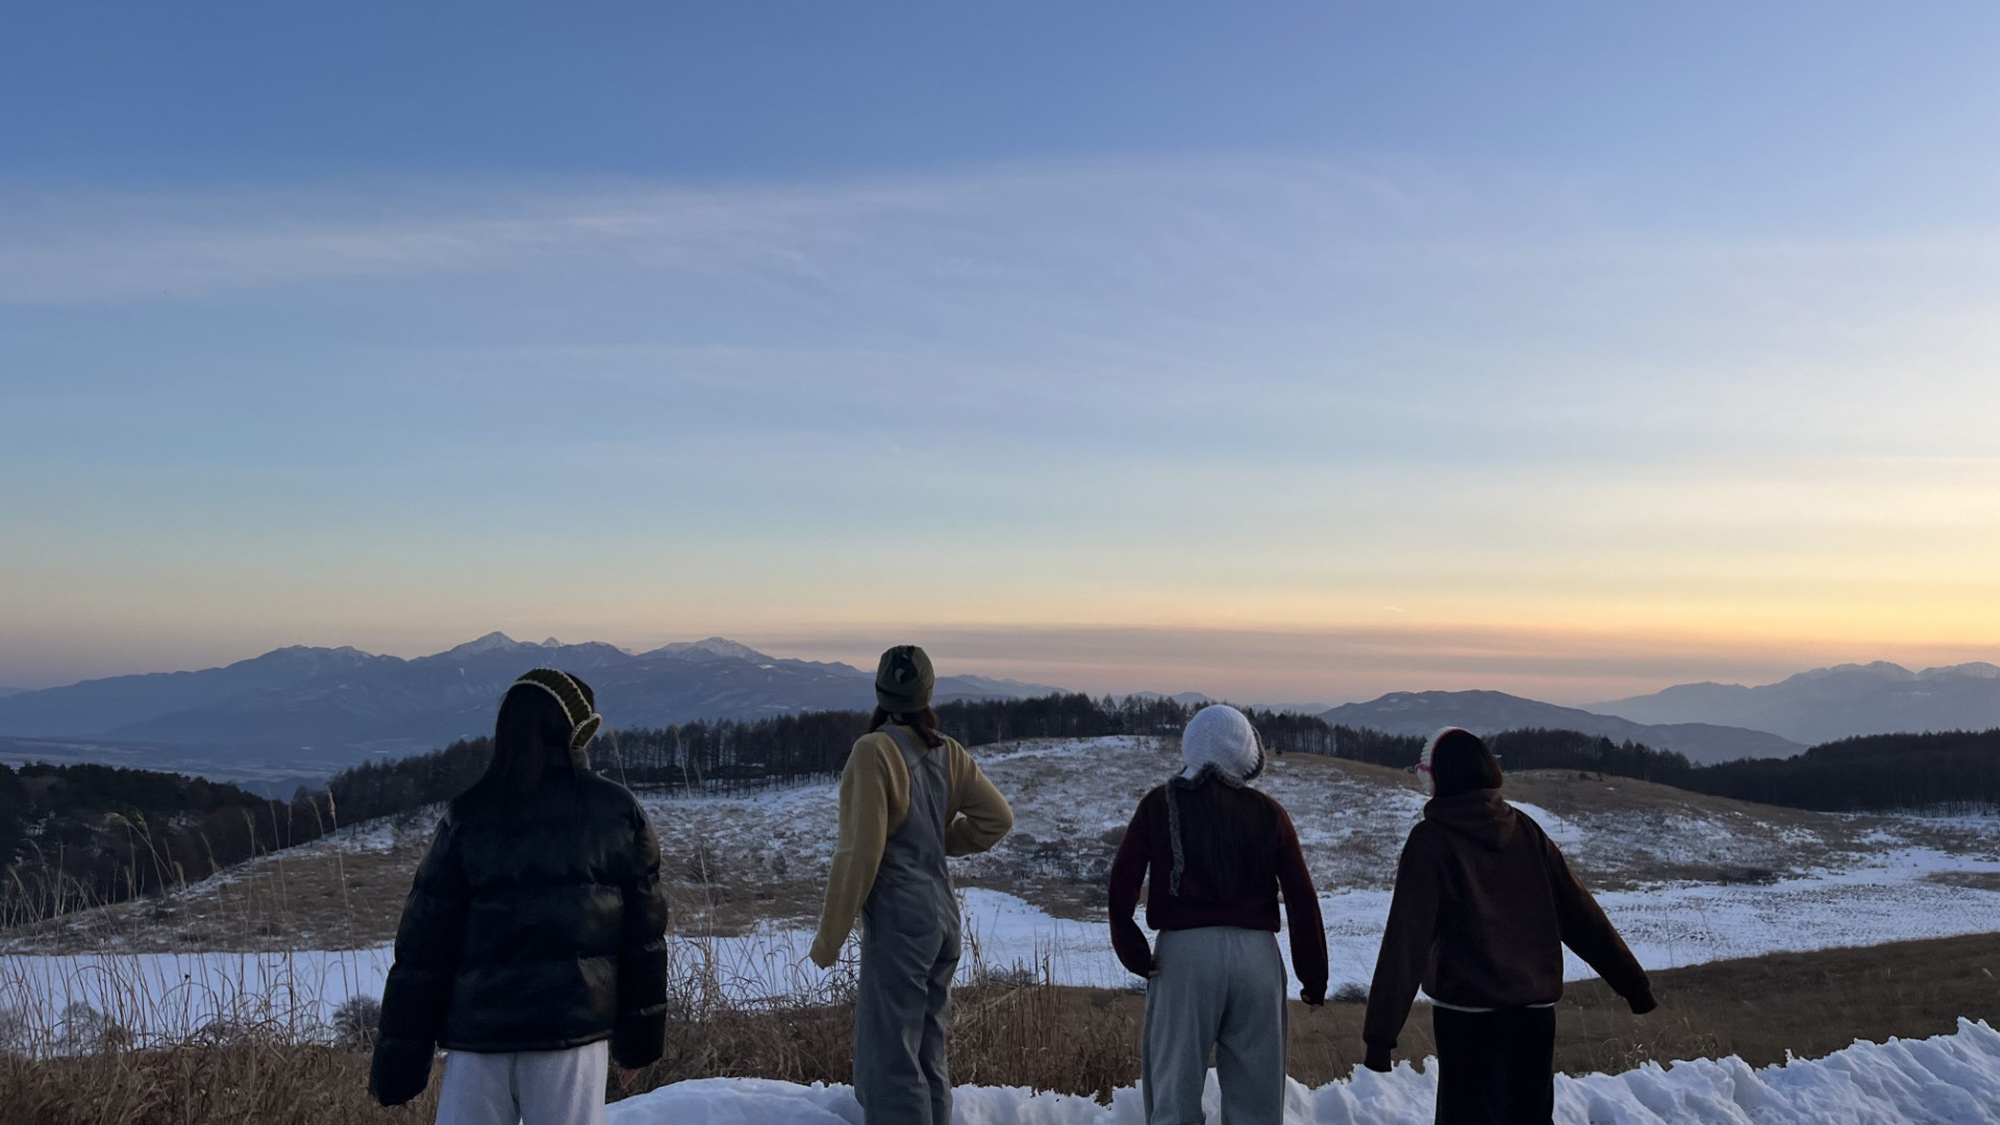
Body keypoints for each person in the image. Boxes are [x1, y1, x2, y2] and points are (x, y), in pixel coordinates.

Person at [370, 668, 669, 1125]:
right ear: (576, 731)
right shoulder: (616, 812)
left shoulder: (468, 814)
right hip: (572, 1039)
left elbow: (422, 950)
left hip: (478, 1042)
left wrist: (400, 1065)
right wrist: (638, 1044)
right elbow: (643, 941)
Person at [1362, 727, 1657, 1125]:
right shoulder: (1526, 830)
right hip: (1535, 1012)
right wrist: (1633, 985)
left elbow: (1406, 941)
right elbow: (1581, 914)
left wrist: (1380, 1037)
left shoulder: (1430, 841)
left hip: (1468, 1016)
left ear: (1437, 777)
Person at [808, 644, 1014, 1125]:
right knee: (928, 1055)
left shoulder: (873, 750)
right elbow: (997, 820)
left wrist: (828, 941)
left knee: (891, 1064)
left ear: (880, 691)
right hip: (944, 920)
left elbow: (860, 854)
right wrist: (936, 839)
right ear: (927, 693)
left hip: (900, 926)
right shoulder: (948, 753)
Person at [1108, 703, 1328, 1125]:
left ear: (1191, 748)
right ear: (1247, 754)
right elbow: (1301, 895)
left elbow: (1122, 882)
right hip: (1257, 959)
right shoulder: (1268, 812)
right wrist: (1313, 974)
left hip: (1184, 958)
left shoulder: (1160, 804)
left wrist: (1133, 950)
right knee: (1257, 1100)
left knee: (1174, 1093)